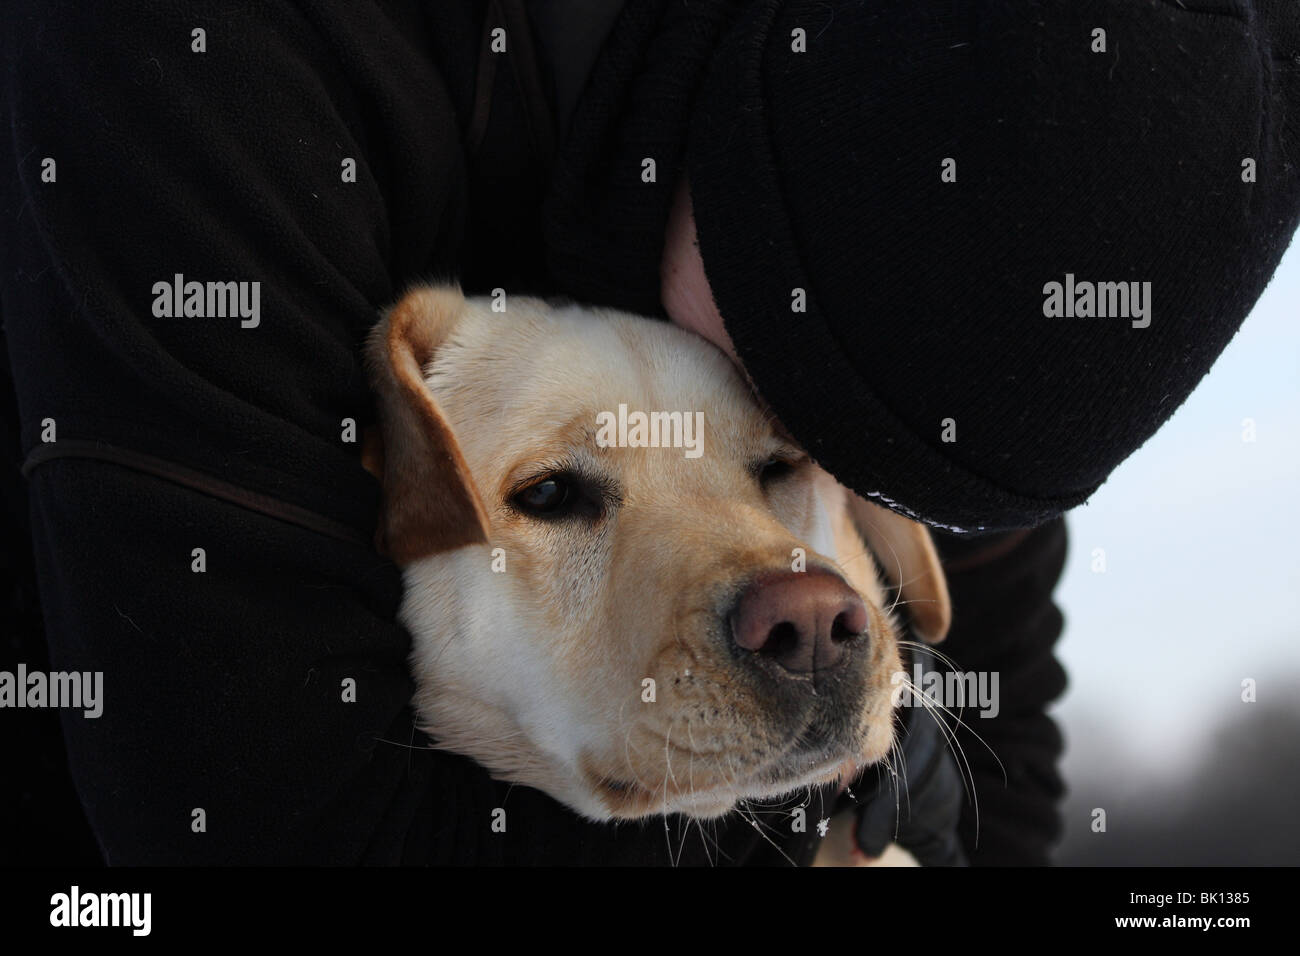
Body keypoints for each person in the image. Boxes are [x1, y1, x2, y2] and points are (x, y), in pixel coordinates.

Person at [2, 0, 1296, 866]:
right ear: (765, 190)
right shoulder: (212, 60)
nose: (814, 604)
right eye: (560, 491)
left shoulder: (974, 244)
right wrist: (799, 838)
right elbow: (253, 808)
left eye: (787, 466)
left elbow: (995, 772)